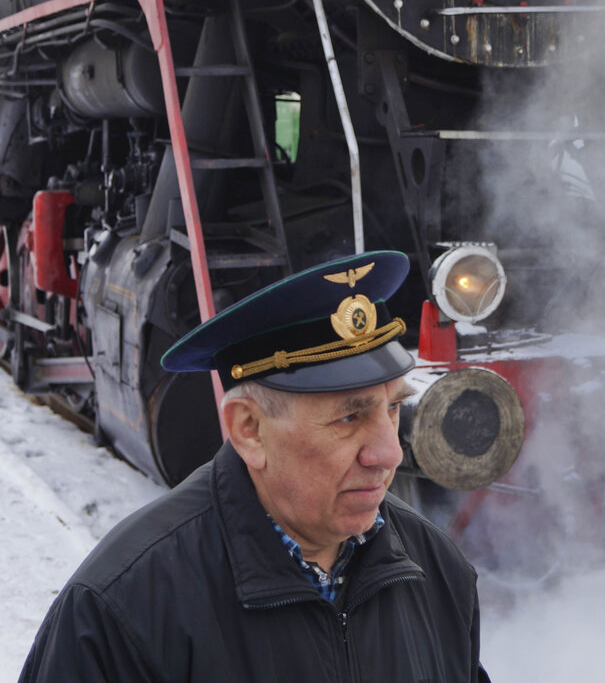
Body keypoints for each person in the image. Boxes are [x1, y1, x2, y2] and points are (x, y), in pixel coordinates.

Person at [19, 250, 491, 681]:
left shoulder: (439, 572)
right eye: (349, 417)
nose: (389, 453)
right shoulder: (118, 611)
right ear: (249, 429)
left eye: (393, 407)